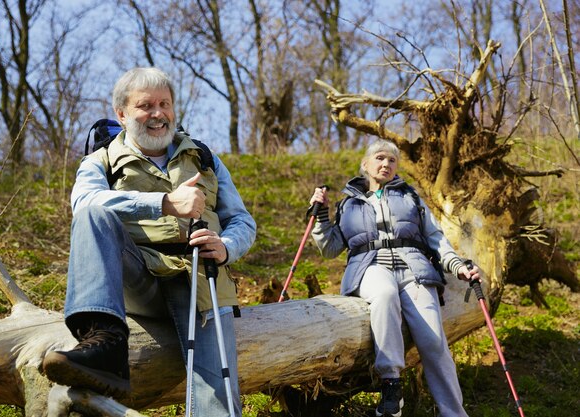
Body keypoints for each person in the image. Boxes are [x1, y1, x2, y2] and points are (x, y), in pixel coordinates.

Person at [42, 67, 256, 417]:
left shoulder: (203, 157)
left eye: (164, 104)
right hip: (137, 277)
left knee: (217, 397)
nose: (158, 114)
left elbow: (242, 220)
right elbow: (83, 203)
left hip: (200, 278)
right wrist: (163, 204)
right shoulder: (102, 160)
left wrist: (226, 245)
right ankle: (105, 343)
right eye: (145, 105)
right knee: (93, 215)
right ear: (122, 114)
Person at [309, 139, 480, 417]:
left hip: (414, 268)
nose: (386, 164)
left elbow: (435, 238)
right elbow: (330, 248)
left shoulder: (410, 197)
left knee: (434, 340)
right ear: (365, 164)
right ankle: (391, 384)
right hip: (370, 266)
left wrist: (457, 265)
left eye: (392, 160)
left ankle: (454, 412)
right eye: (380, 158)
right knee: (385, 294)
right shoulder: (348, 205)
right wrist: (320, 218)